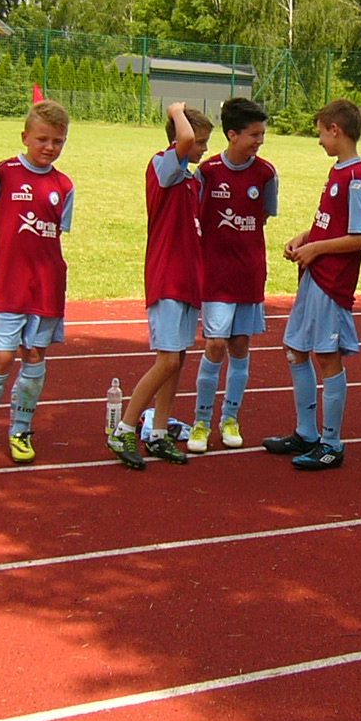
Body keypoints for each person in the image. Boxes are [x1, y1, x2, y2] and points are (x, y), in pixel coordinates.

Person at [262, 99, 361, 471]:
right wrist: (305, 237)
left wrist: (317, 249)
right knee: (295, 349)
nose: (320, 141)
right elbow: (331, 222)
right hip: (314, 276)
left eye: (321, 133)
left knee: (327, 357)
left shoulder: (357, 176)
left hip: (331, 281)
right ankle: (306, 432)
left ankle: (331, 443)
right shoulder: (338, 171)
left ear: (335, 130)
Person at [0, 99, 75, 466]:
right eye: (42, 139)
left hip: (47, 285)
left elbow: (53, 235)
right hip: (11, 284)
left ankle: (21, 430)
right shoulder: (4, 173)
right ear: (25, 136)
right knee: (2, 356)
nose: (49, 147)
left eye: (58, 141)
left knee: (35, 356)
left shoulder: (64, 185)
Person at [107, 103, 213, 469]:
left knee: (177, 360)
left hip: (188, 279)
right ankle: (123, 428)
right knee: (166, 359)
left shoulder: (192, 181)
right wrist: (177, 112)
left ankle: (158, 432)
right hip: (167, 277)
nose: (203, 149)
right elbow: (182, 138)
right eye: (200, 142)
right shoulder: (163, 167)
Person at [192, 97, 278, 452]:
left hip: (249, 273)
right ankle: (200, 421)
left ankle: (231, 417)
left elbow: (264, 216)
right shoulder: (208, 172)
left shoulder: (266, 174)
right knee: (215, 344)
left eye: (262, 134)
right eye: (254, 134)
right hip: (216, 275)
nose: (260, 141)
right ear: (232, 134)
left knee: (240, 345)